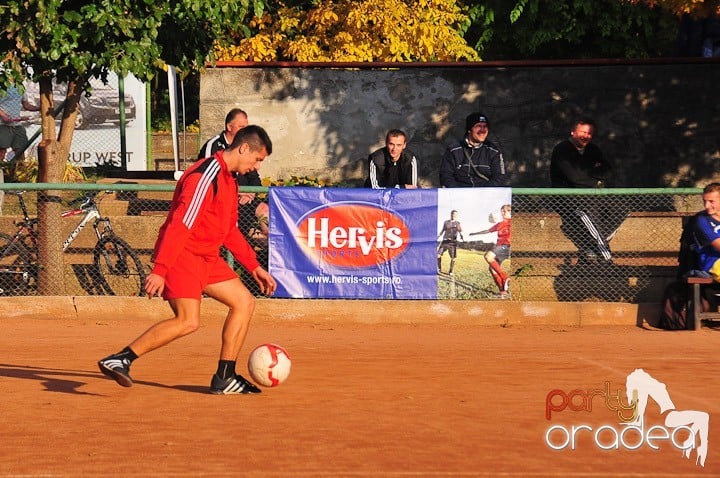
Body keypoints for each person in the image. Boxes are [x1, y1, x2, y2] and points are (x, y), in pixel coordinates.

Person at [98, 125, 277, 395]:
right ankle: (121, 358)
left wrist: (254, 267)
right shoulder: (206, 176)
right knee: (188, 321)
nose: (256, 166)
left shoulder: (229, 180)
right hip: (183, 255)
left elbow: (228, 230)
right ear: (243, 149)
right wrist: (160, 269)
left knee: (244, 302)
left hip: (207, 256)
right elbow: (181, 225)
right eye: (257, 159)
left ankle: (225, 377)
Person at [550, 118, 620, 263]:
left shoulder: (593, 149)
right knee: (589, 214)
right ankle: (605, 256)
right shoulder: (562, 150)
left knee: (621, 209)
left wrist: (589, 175)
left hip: (592, 195)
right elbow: (575, 178)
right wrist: (595, 175)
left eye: (589, 133)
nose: (586, 136)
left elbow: (607, 171)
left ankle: (589, 247)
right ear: (573, 132)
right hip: (568, 199)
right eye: (582, 132)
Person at [198, 108, 269, 243]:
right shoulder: (213, 146)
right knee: (254, 233)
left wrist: (250, 193)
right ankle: (252, 255)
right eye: (241, 127)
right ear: (229, 127)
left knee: (266, 211)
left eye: (246, 127)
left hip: (246, 200)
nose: (245, 131)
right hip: (225, 202)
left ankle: (270, 257)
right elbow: (209, 179)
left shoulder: (246, 147)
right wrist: (237, 192)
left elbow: (255, 179)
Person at [439, 112, 507, 187]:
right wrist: (459, 193)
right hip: (459, 195)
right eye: (478, 126)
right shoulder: (453, 150)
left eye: (485, 126)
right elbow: (446, 175)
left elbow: (500, 177)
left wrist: (482, 193)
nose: (483, 130)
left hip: (485, 195)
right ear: (469, 130)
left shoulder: (493, 151)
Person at [469, 204, 512, 299]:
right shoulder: (500, 224)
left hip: (507, 246)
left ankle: (505, 278)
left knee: (488, 256)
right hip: (499, 247)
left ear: (511, 212)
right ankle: (503, 292)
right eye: (502, 211)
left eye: (505, 211)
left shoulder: (512, 222)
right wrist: (474, 233)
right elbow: (487, 231)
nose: (502, 213)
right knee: (492, 269)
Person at [691, 182, 720, 280]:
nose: (707, 206)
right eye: (705, 201)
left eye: (711, 201)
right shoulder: (702, 221)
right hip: (712, 263)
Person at [437, 210, 464, 274]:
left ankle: (451, 271)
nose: (454, 215)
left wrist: (462, 236)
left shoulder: (458, 223)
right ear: (451, 214)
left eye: (455, 215)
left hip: (452, 243)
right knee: (437, 255)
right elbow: (442, 230)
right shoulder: (446, 222)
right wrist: (438, 236)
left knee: (453, 258)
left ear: (456, 216)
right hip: (445, 241)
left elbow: (460, 231)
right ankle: (439, 269)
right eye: (453, 214)